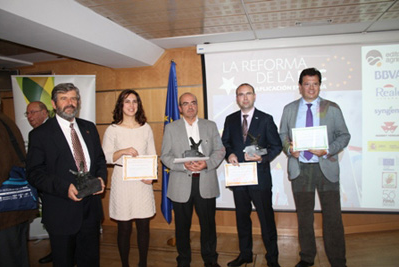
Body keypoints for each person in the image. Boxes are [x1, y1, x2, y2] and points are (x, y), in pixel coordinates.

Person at [26, 83, 107, 267]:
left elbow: (100, 160)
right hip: (61, 212)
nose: (70, 103)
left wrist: (101, 178)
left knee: (90, 261)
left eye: (73, 98)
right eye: (64, 99)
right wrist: (64, 188)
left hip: (90, 211)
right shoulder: (40, 135)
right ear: (54, 104)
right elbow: (34, 173)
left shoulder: (89, 128)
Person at [279, 68, 350, 267]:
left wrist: (327, 150)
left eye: (315, 84)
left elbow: (344, 136)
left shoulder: (331, 108)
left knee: (333, 218)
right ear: (300, 86)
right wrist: (289, 148)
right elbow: (282, 135)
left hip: (325, 169)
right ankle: (307, 257)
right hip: (301, 169)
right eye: (307, 84)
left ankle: (337, 261)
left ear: (319, 85)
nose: (311, 88)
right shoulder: (290, 109)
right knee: (304, 217)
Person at [161, 92, 225, 267]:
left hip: (205, 181)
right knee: (182, 227)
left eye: (193, 103)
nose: (190, 106)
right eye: (186, 104)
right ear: (180, 108)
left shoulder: (210, 126)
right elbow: (165, 156)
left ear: (197, 105)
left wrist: (207, 164)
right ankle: (183, 260)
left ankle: (210, 260)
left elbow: (220, 150)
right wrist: (183, 166)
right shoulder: (171, 128)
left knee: (208, 226)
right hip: (181, 183)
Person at [221, 83, 282, 267]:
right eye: (241, 94)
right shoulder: (230, 119)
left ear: (254, 96)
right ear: (237, 98)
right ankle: (245, 254)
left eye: (248, 94)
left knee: (266, 220)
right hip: (239, 178)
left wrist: (262, 158)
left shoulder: (265, 119)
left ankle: (272, 259)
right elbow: (225, 144)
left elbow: (276, 146)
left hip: (260, 179)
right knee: (242, 219)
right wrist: (229, 153)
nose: (245, 97)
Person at [102, 89, 156, 267]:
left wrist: (151, 176)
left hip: (142, 182)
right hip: (122, 181)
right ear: (121, 105)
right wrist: (124, 151)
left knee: (143, 226)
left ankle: (143, 263)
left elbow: (152, 154)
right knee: (124, 227)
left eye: (135, 101)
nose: (131, 105)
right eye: (127, 101)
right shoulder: (113, 129)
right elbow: (106, 157)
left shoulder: (145, 128)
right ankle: (125, 264)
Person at [0, 95, 37, 266]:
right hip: (17, 205)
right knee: (18, 254)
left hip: (5, 210)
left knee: (8, 256)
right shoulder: (7, 121)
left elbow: (3, 165)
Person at [25, 101, 52, 264]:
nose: (29, 117)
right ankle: (55, 250)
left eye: (33, 112)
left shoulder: (49, 131)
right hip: (43, 185)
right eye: (27, 113)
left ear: (45, 112)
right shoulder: (34, 133)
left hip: (53, 186)